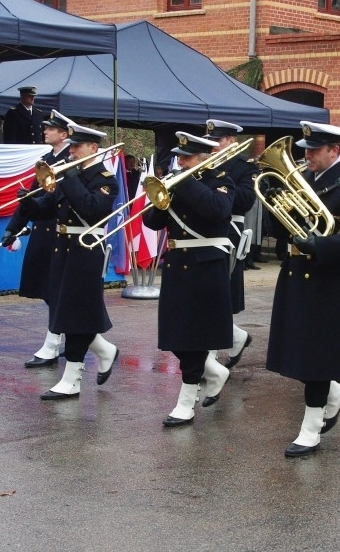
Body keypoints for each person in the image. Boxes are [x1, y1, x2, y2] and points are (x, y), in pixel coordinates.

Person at [265, 121, 340, 457]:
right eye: (305, 150)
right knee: (298, 350)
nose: (307, 156)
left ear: (334, 151)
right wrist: (273, 205)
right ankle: (334, 393)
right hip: (297, 272)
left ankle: (311, 429)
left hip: (329, 279)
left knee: (316, 357)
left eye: (314, 150)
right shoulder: (304, 180)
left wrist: (320, 246)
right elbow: (284, 229)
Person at [16, 123, 121, 400]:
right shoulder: (66, 175)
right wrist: (28, 204)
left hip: (86, 251)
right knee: (65, 312)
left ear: (93, 148)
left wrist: (71, 176)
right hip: (62, 249)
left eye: (77, 147)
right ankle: (103, 351)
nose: (71, 151)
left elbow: (91, 208)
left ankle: (73, 379)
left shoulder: (106, 179)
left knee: (77, 316)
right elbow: (48, 209)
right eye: (71, 146)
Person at [142, 132, 235, 427]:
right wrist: (159, 198)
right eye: (179, 157)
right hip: (177, 264)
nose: (179, 162)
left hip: (206, 265)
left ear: (204, 158)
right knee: (175, 334)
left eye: (186, 157)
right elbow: (152, 222)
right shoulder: (178, 181)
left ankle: (186, 400)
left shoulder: (220, 179)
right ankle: (213, 372)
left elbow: (218, 211)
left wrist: (185, 182)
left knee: (194, 336)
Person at [3, 110, 74, 368]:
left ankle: (53, 345)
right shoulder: (46, 160)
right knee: (46, 290)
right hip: (43, 230)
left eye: (50, 128)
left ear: (64, 134)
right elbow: (31, 196)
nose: (44, 131)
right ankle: (89, 339)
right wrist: (13, 227)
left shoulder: (71, 160)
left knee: (55, 291)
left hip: (60, 231)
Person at [202, 119, 258, 370]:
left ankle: (210, 357)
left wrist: (219, 186)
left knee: (218, 292)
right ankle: (236, 337)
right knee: (207, 292)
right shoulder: (203, 161)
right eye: (211, 139)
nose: (213, 144)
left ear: (231, 141)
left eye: (218, 140)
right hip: (202, 228)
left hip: (229, 230)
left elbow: (246, 201)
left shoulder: (245, 166)